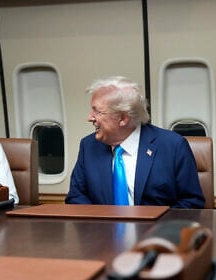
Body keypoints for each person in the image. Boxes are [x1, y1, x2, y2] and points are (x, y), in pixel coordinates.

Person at [65, 76, 205, 208]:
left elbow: (192, 202)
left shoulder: (173, 146)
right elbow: (75, 197)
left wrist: (156, 224)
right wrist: (102, 221)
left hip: (158, 226)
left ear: (122, 118)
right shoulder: (89, 146)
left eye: (97, 112)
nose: (90, 118)